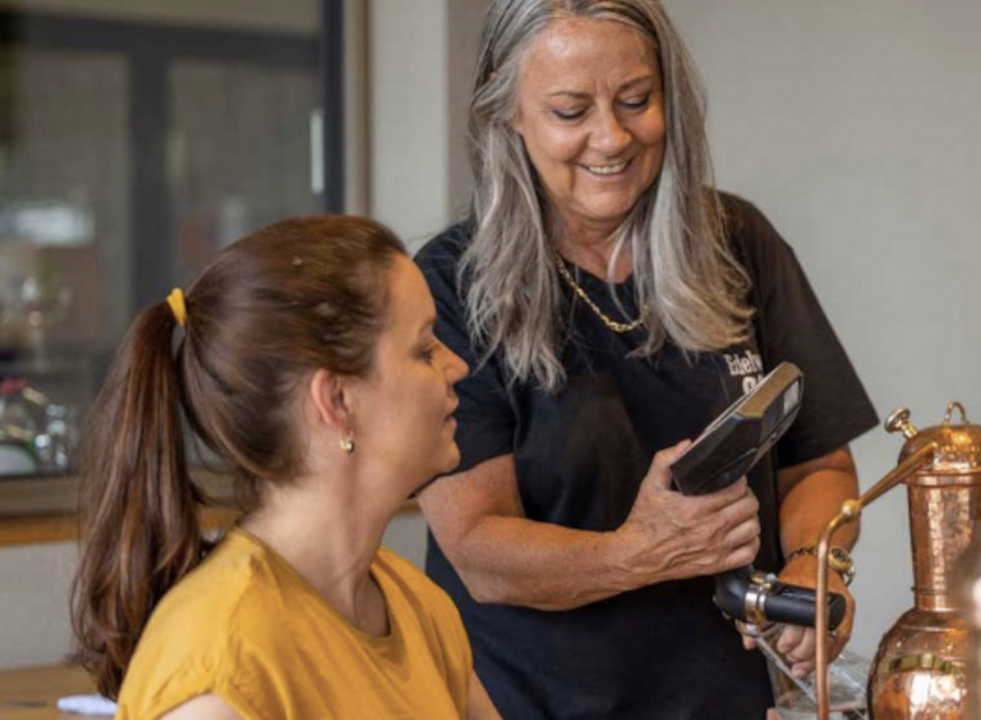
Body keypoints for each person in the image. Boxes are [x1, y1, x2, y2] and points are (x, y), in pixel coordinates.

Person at [414, 1, 879, 718]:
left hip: (726, 697)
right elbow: (479, 551)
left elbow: (817, 465)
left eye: (637, 100)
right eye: (571, 111)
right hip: (529, 702)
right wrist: (636, 552)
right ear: (508, 113)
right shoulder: (452, 285)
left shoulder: (737, 243)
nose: (612, 136)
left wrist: (817, 569)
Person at [70, 216, 501, 720]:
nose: (458, 367)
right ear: (337, 400)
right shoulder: (224, 670)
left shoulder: (417, 606)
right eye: (425, 348)